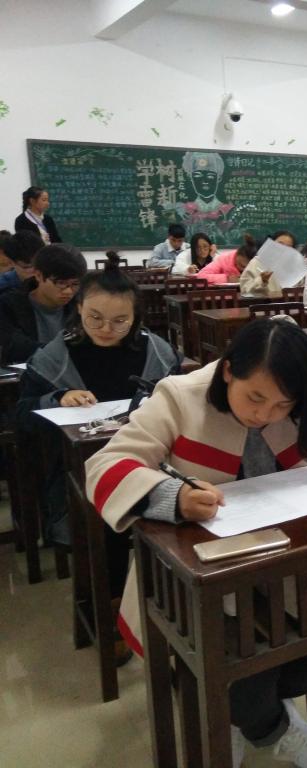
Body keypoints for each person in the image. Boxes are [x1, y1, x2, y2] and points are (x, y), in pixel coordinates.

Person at [84, 319, 307, 767]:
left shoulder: (303, 396)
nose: (265, 414)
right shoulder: (179, 396)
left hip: (291, 564)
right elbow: (106, 464)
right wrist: (172, 496)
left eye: (282, 405)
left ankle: (240, 715)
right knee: (237, 667)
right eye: (255, 398)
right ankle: (265, 724)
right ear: (228, 370)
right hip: (205, 575)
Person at [17, 260, 179, 556]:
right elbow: (21, 415)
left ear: (136, 317)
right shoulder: (54, 357)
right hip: (80, 468)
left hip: (149, 463)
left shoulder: (157, 352)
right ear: (79, 308)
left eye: (120, 320)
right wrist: (57, 398)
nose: (106, 329)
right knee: (105, 543)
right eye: (95, 318)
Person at [0, 243, 86, 364]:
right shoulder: (8, 305)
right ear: (38, 275)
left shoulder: (81, 305)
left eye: (75, 284)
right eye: (61, 283)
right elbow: (14, 348)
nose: (69, 291)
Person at [240, 231, 303, 298]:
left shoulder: (294, 266)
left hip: (289, 303)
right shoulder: (257, 262)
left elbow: (301, 289)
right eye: (279, 244)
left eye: (288, 247)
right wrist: (262, 280)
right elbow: (245, 291)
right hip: (263, 303)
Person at [0, 230, 44, 295]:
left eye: (41, 264)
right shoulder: (4, 289)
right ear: (12, 262)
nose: (37, 272)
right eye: (28, 267)